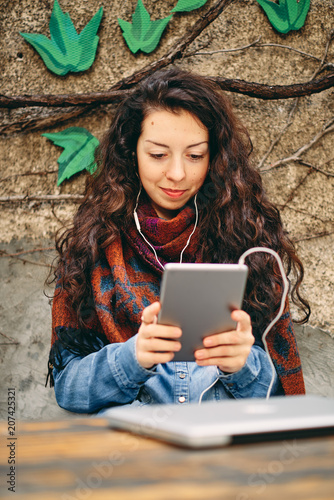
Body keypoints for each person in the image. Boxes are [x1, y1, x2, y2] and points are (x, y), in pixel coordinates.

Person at [47, 67, 310, 414]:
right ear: (131, 152)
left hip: (225, 455)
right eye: (158, 155)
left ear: (215, 158)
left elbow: (281, 403)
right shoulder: (93, 244)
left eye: (195, 155)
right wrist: (134, 357)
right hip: (135, 458)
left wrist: (243, 364)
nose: (177, 174)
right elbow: (69, 390)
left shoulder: (248, 242)